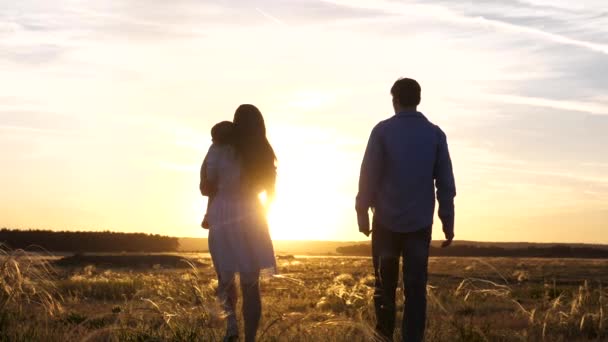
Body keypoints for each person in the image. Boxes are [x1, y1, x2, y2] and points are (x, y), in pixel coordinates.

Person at [356, 78, 456, 342]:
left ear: (394, 100)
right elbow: (445, 183)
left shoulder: (382, 131)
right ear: (418, 99)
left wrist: (361, 212)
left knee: (384, 288)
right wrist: (448, 221)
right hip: (419, 224)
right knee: (415, 290)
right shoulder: (435, 134)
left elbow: (368, 175)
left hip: (386, 222)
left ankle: (384, 337)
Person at [200, 104, 277, 342]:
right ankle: (250, 339)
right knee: (251, 286)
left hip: (222, 215)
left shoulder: (219, 149)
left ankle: (231, 327)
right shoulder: (263, 153)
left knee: (225, 278)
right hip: (253, 216)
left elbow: (205, 187)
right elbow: (270, 193)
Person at [201, 121, 235, 229]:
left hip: (225, 187)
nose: (212, 140)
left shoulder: (229, 149)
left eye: (214, 137)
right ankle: (207, 215)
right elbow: (204, 165)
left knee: (214, 192)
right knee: (213, 192)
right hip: (214, 181)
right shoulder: (214, 148)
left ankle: (207, 216)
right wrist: (204, 179)